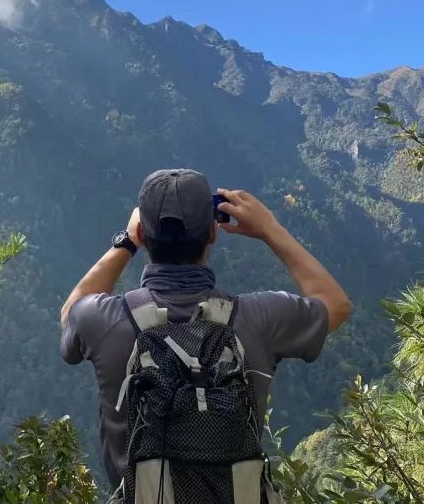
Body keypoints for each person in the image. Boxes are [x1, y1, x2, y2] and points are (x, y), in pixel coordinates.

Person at [60, 168, 352, 500]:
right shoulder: (259, 319)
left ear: (143, 232)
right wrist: (271, 229)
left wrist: (126, 242)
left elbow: (70, 312)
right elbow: (335, 303)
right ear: (213, 233)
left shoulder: (102, 321)